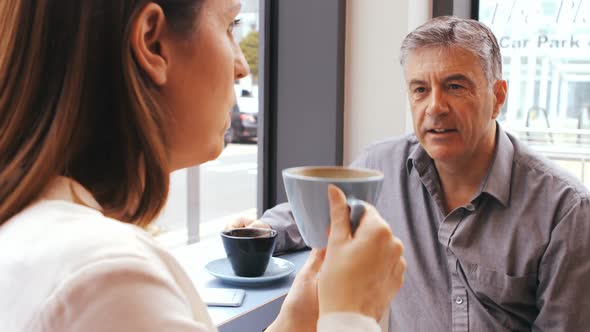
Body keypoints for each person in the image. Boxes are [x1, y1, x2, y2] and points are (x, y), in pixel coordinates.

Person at [0, 1, 406, 331]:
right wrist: (351, 314)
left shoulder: (39, 239)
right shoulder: (106, 278)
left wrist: (295, 324)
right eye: (229, 26)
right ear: (152, 43)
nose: (242, 66)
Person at [229, 16, 590, 331]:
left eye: (455, 86)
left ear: (497, 96)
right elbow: (319, 211)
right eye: (420, 90)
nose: (435, 106)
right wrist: (261, 230)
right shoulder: (381, 167)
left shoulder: (566, 211)